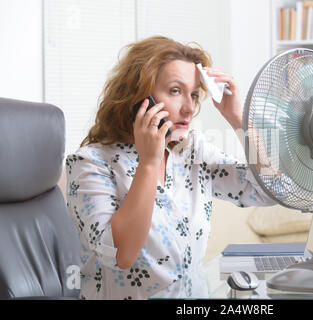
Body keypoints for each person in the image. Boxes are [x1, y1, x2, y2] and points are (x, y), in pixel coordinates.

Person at [65, 36, 275, 300]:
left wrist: (238, 118)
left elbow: (267, 190)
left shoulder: (192, 152)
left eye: (194, 94)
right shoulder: (89, 163)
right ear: (138, 96)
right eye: (175, 91)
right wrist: (149, 163)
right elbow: (121, 255)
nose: (189, 108)